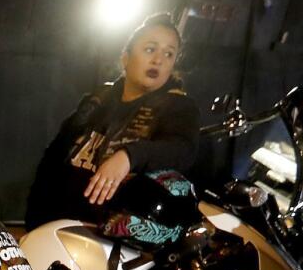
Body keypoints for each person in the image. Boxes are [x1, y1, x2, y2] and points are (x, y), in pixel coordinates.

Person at [25, 13, 199, 229]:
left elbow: (182, 150)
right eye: (150, 49)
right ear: (125, 58)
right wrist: (34, 224)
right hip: (57, 231)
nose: (158, 60)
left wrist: (128, 155)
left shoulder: (178, 107)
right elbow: (52, 160)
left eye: (169, 54)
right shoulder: (97, 101)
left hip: (117, 243)